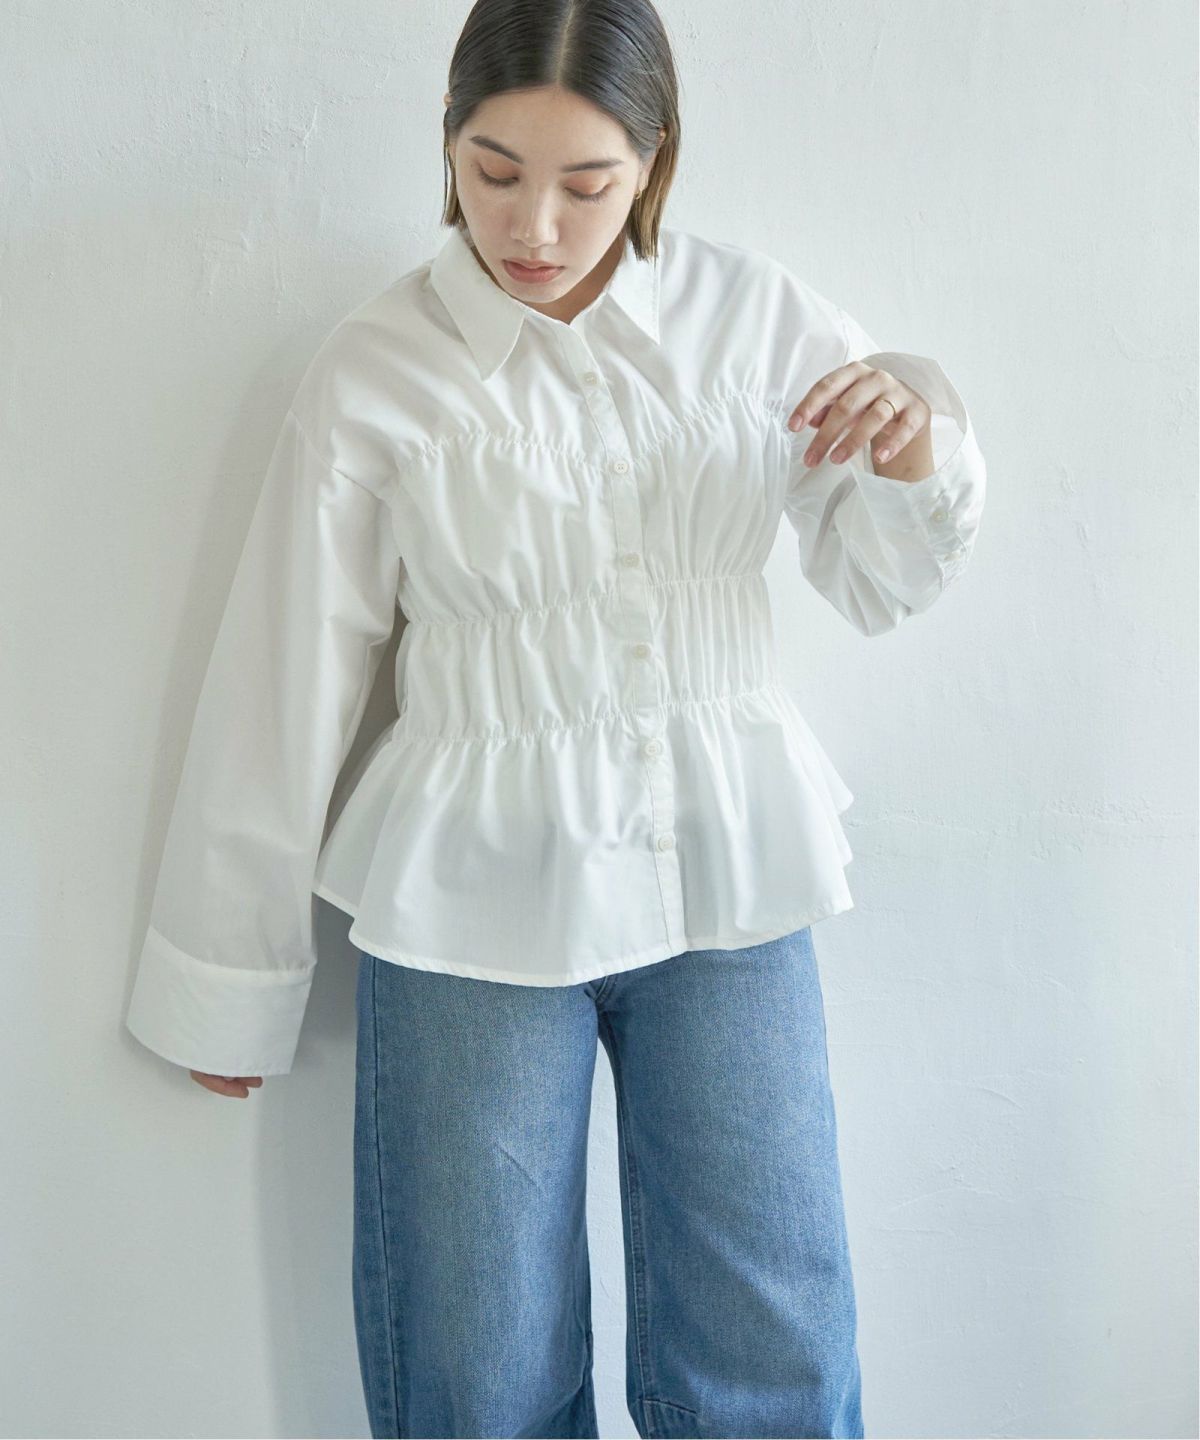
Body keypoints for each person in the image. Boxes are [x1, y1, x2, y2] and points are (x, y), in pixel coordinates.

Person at [125, 0, 987, 1434]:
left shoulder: (754, 317)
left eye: (587, 184)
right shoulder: (379, 366)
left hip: (731, 868)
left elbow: (879, 577)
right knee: (477, 1365)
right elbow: (285, 670)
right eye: (492, 170)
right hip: (471, 891)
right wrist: (229, 968)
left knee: (774, 1340)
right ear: (447, 142)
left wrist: (917, 442)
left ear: (653, 161)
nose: (532, 226)